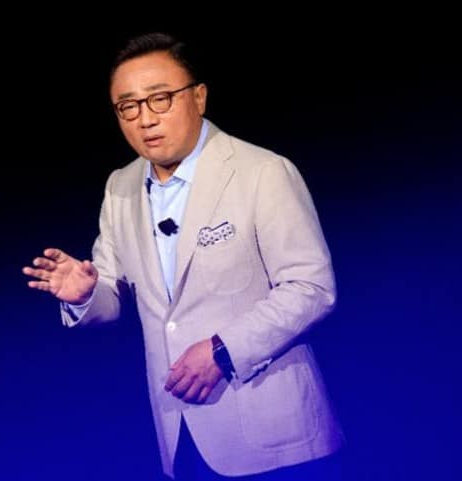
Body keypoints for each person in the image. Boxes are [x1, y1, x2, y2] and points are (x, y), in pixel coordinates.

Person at [22, 32, 344, 480]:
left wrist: (222, 351)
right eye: (128, 106)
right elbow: (113, 294)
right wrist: (86, 295)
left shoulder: (261, 172)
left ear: (199, 96)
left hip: (276, 438)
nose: (145, 119)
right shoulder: (121, 186)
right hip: (180, 434)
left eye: (160, 99)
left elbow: (311, 289)